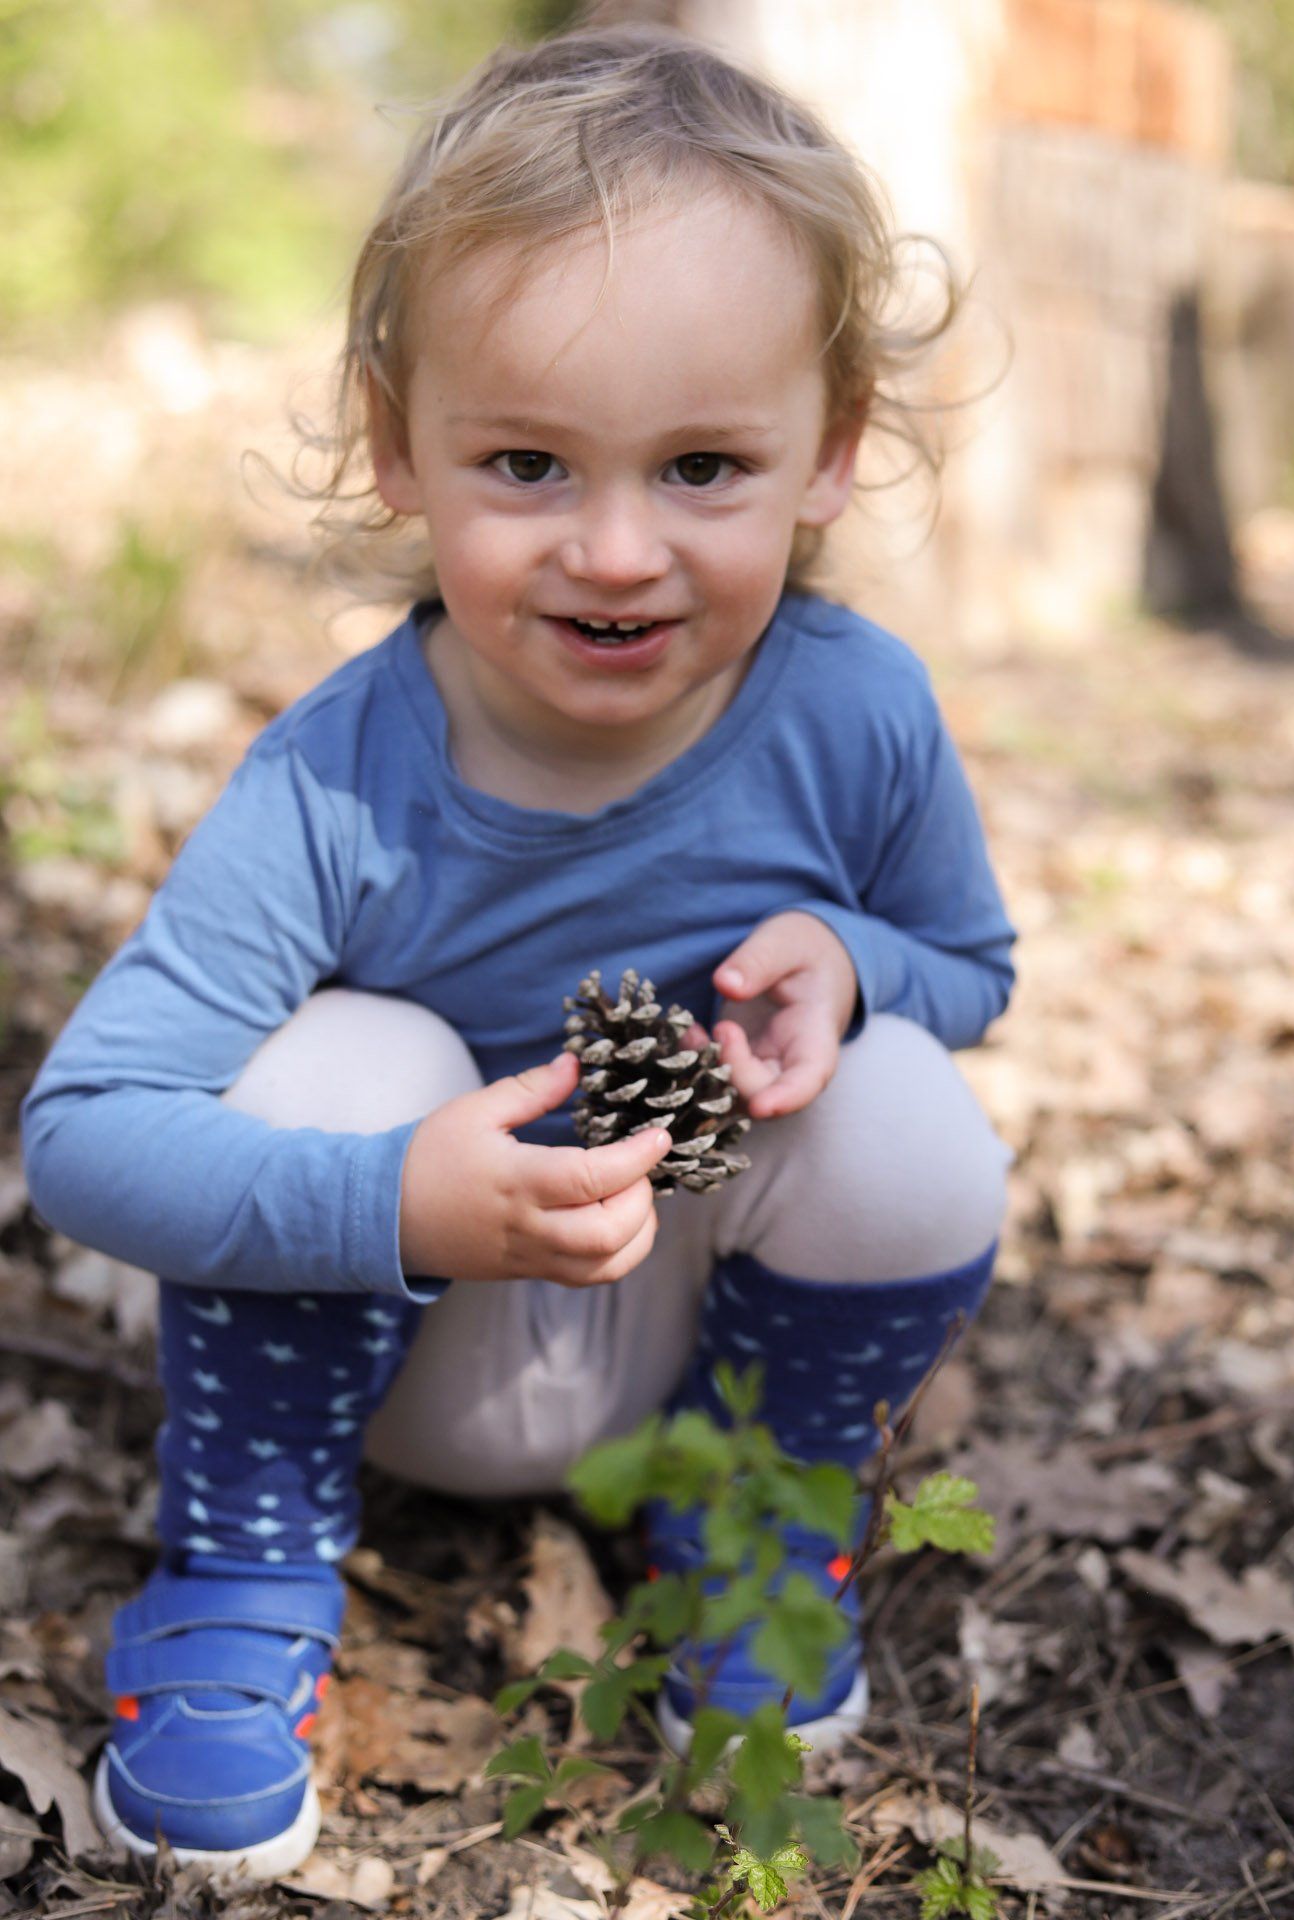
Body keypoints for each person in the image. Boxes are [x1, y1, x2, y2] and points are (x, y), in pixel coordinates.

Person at [21, 20, 1017, 1882]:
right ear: (402, 450)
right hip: (402, 1353)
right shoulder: (338, 778)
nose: (619, 551)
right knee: (350, 1051)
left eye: (705, 464)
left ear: (832, 455)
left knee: (910, 1119)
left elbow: (971, 966)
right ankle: (237, 1577)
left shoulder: (853, 709)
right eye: (531, 465)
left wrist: (857, 963)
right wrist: (391, 1192)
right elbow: (82, 1130)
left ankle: (741, 1523)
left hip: (681, 1332)